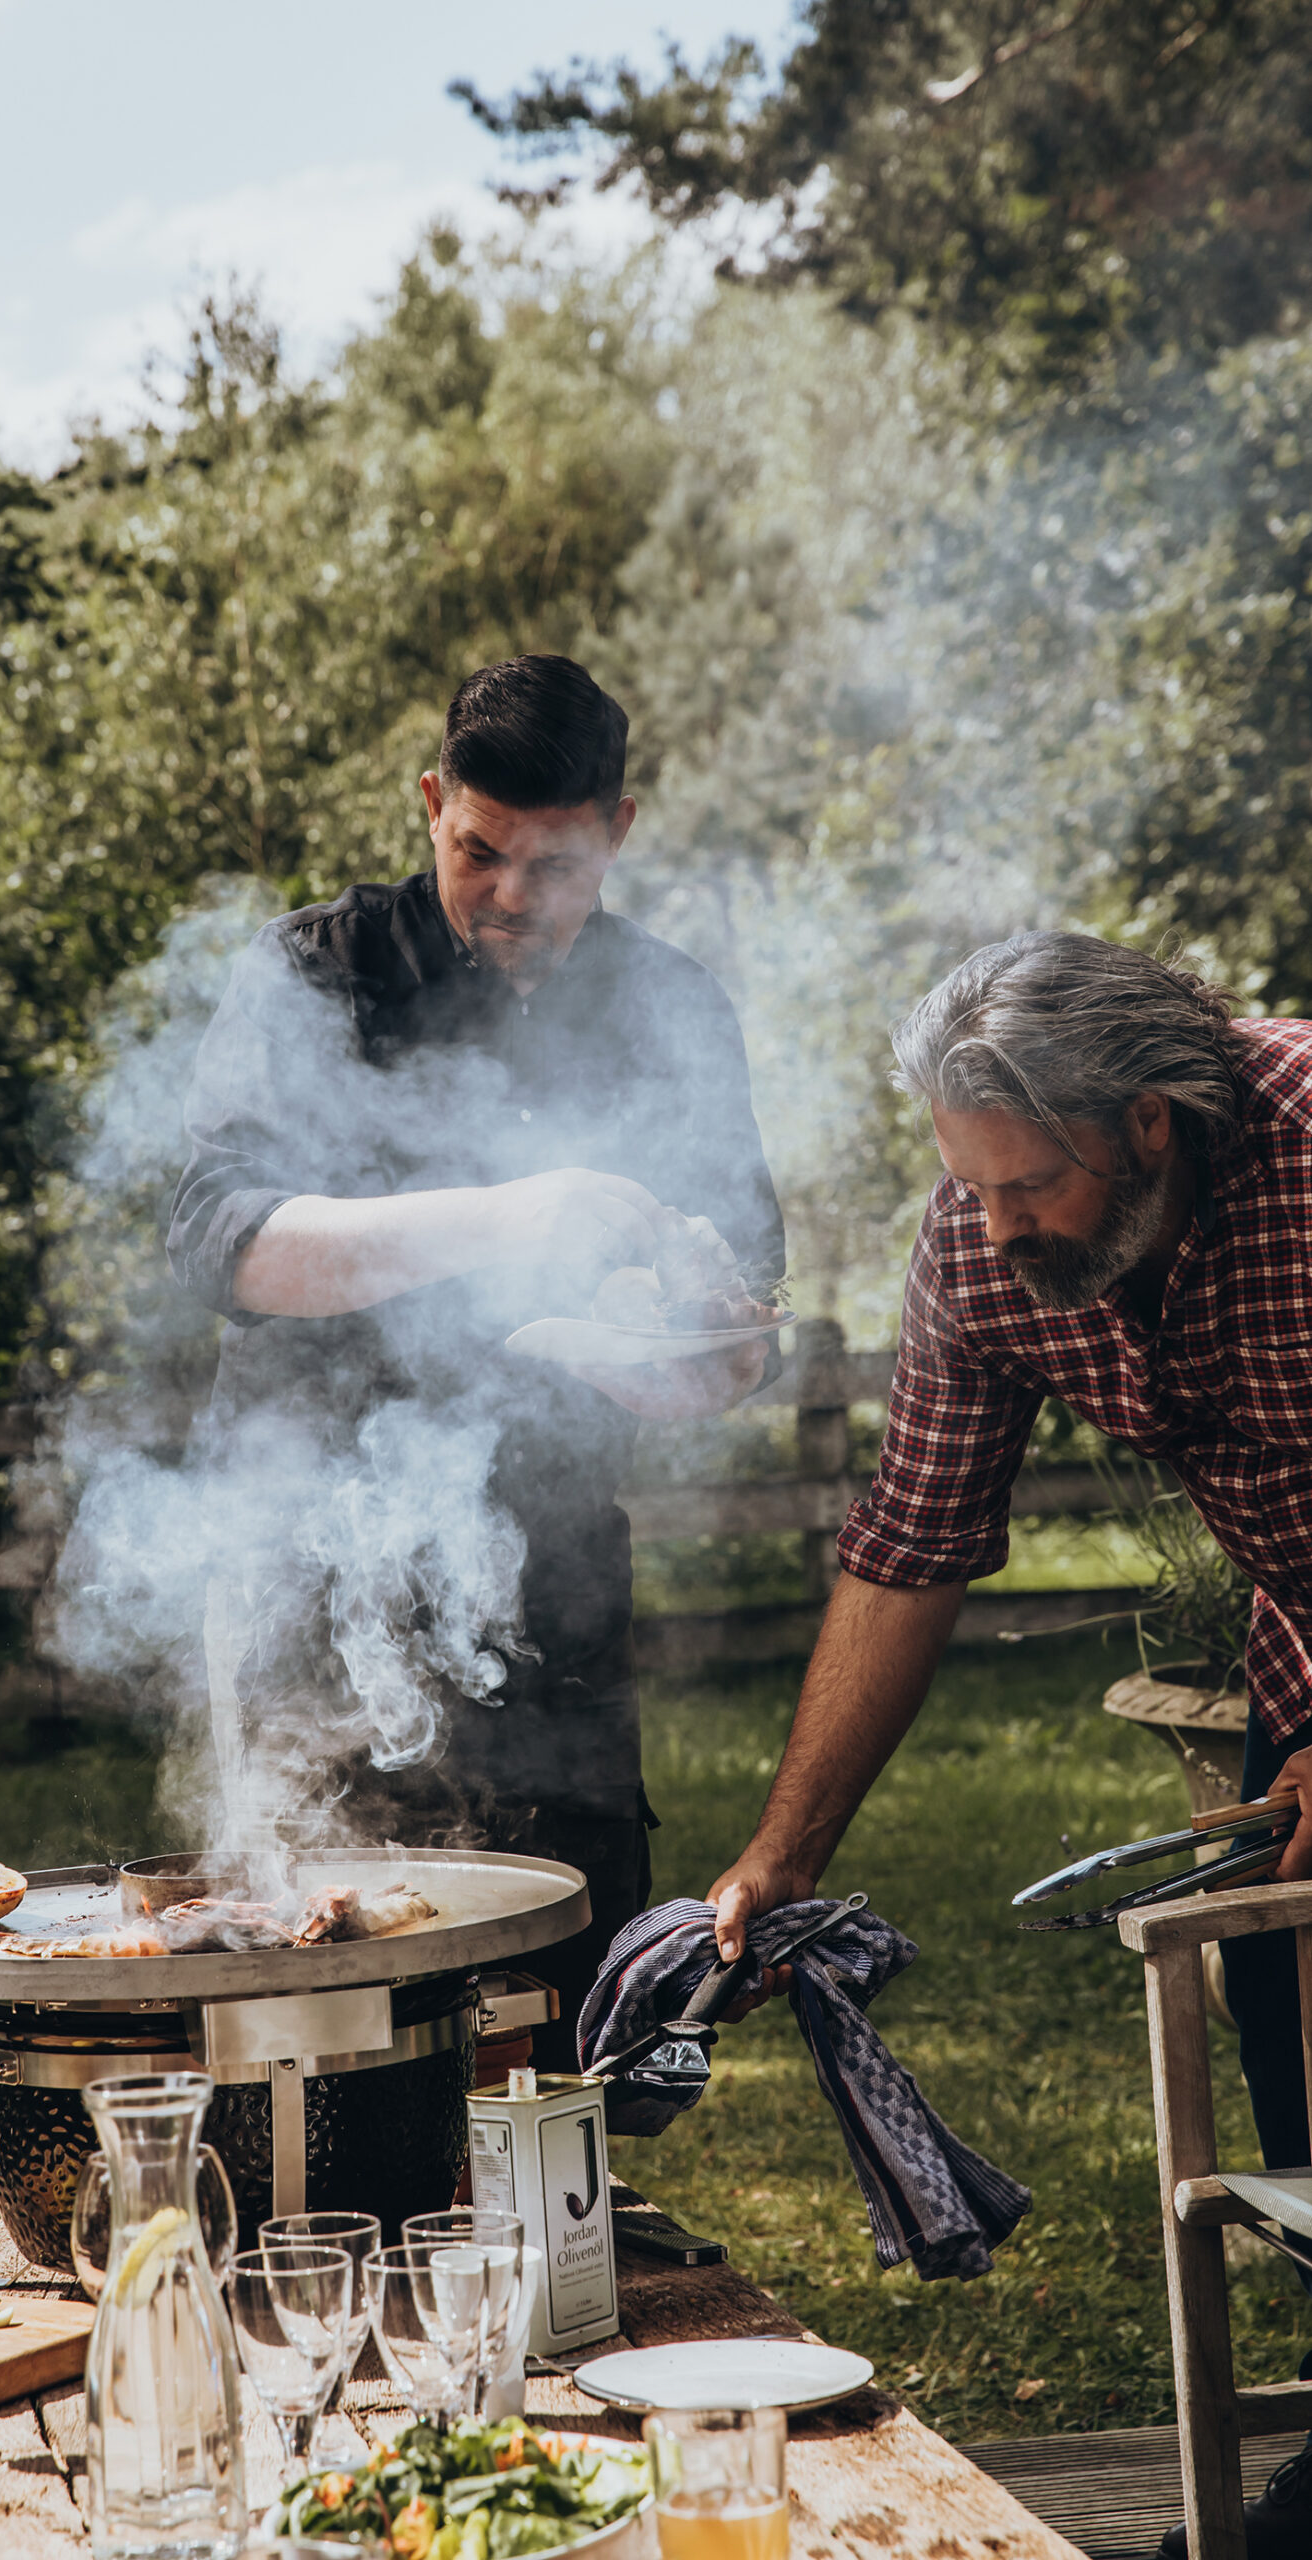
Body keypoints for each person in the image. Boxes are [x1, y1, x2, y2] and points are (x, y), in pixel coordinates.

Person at [704, 930, 1312, 2558]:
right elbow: (913, 1543)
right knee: (1287, 2000)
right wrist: (787, 1851)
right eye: (967, 1184)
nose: (991, 1225)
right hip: (1302, 1656)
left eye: (1025, 1183)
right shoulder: (984, 1255)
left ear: (1148, 1127)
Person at [168, 653, 784, 2062]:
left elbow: (742, 1301)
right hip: (305, 1577)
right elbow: (225, 1240)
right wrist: (515, 1216)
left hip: (553, 1578)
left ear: (619, 831)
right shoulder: (312, 974)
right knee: (320, 2010)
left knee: (570, 2014)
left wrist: (697, 1358)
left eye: (556, 865)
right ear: (432, 803)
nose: (513, 897)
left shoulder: (670, 1008)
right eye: (478, 853)